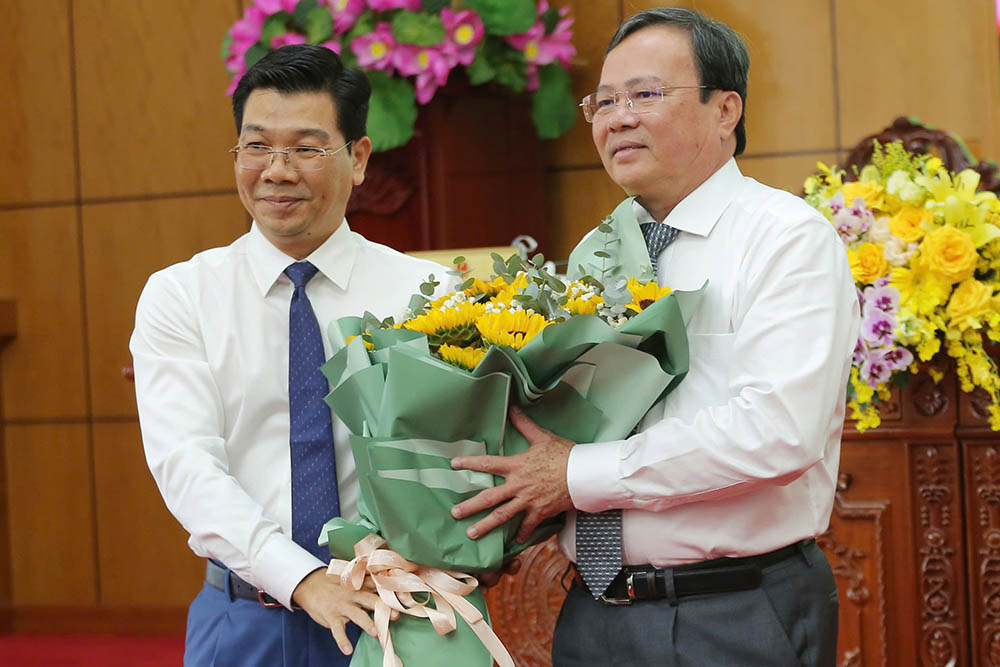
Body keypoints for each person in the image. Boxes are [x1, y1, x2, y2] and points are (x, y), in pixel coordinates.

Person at [451, 7, 860, 666]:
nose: (617, 119)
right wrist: (501, 521)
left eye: (644, 95)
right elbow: (578, 424)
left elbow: (780, 428)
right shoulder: (599, 251)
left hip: (730, 611)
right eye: (604, 102)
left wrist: (575, 475)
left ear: (725, 109)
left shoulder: (785, 238)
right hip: (594, 610)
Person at [130, 44, 451, 666]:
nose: (276, 171)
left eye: (306, 148)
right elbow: (186, 464)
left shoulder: (428, 295)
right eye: (256, 147)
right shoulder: (181, 295)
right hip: (247, 614)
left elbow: (457, 453)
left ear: (358, 159)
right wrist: (301, 580)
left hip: (395, 610)